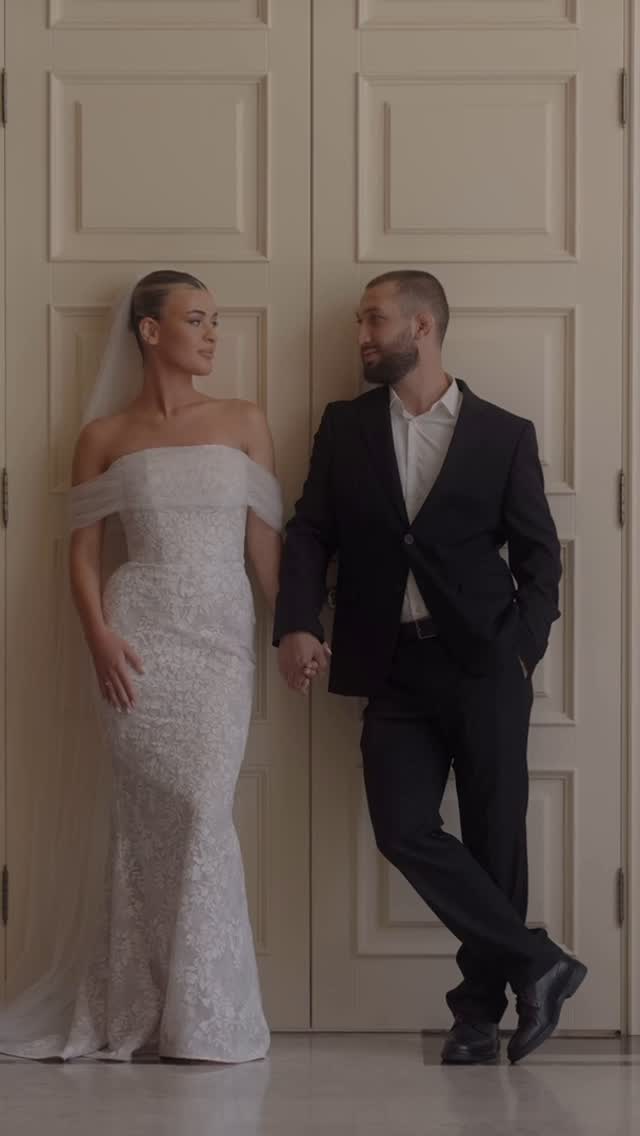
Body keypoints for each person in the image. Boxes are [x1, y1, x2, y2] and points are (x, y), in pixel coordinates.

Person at [274, 269, 587, 1065]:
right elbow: (310, 532)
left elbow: (540, 557)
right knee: (403, 827)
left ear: (422, 327)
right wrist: (298, 622)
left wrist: (522, 648)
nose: (361, 336)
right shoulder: (345, 426)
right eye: (359, 321)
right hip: (392, 667)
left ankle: (477, 1018)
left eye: (373, 320)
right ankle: (539, 963)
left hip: (485, 662)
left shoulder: (503, 434)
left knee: (494, 837)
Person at [1, 270, 282, 1062]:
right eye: (197, 320)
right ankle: (142, 1004)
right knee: (145, 825)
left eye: (216, 321)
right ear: (151, 331)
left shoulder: (244, 420)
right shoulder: (104, 436)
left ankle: (209, 1015)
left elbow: (265, 546)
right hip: (138, 642)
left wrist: (299, 629)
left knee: (202, 808)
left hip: (220, 642)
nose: (212, 335)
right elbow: (83, 555)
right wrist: (98, 637)